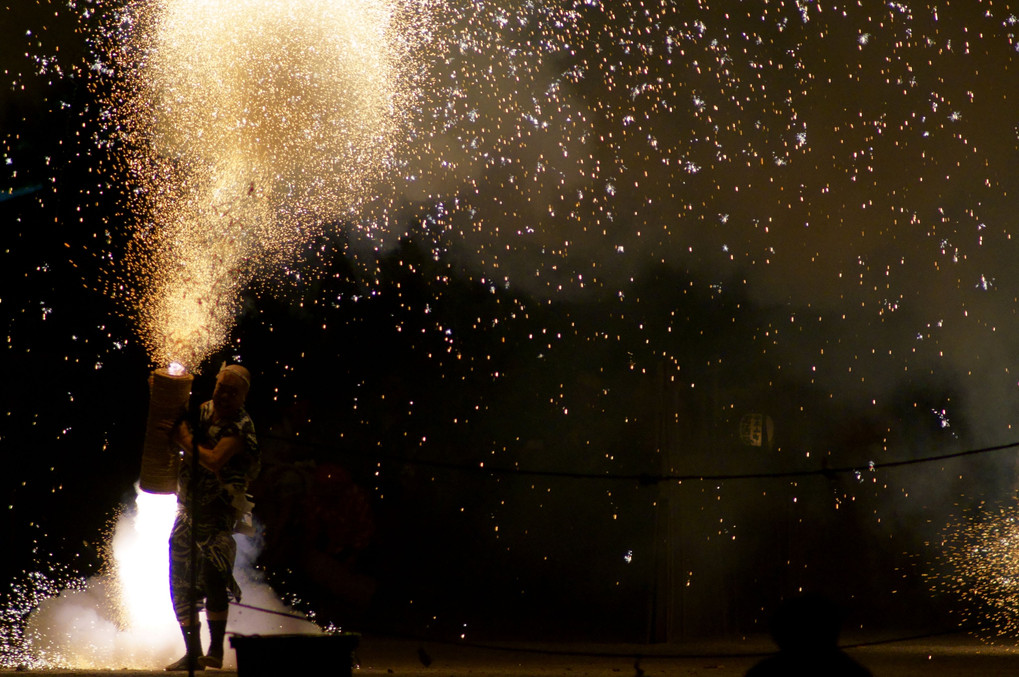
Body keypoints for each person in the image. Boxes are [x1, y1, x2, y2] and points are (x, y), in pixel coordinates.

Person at [166, 364, 259, 671]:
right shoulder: (204, 410)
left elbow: (215, 459)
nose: (224, 395)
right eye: (221, 388)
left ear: (243, 396)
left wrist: (183, 440)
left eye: (233, 392)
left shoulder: (240, 426)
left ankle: (215, 649)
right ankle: (193, 651)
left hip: (218, 511)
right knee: (181, 577)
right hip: (189, 508)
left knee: (213, 574)